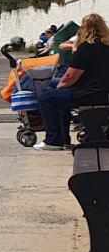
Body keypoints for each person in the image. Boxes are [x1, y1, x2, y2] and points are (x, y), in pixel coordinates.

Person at [35, 14, 109, 150]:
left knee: (46, 97)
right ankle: (63, 139)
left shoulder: (86, 48)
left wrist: (59, 88)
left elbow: (70, 77)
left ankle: (53, 139)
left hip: (87, 94)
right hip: (103, 93)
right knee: (60, 97)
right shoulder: (106, 47)